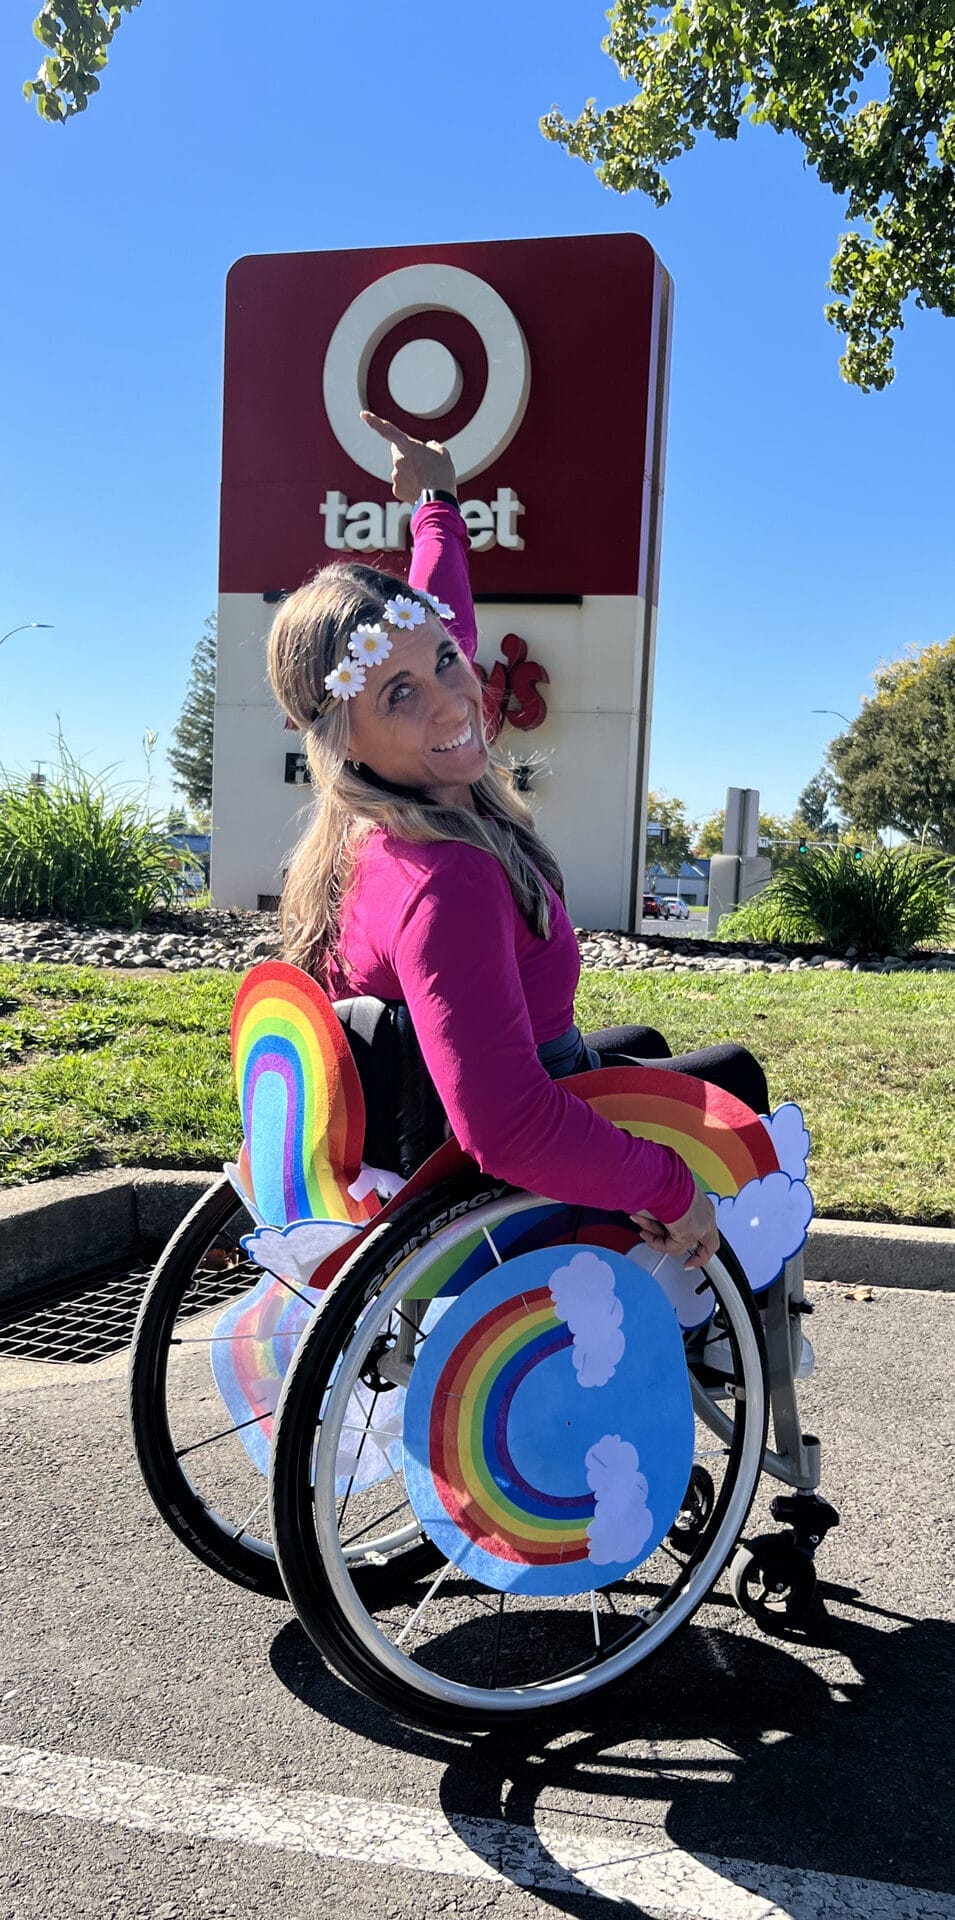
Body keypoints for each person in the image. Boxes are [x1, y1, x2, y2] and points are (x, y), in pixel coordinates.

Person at [267, 415, 768, 1271]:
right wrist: (670, 1186)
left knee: (642, 1042)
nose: (453, 703)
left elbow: (439, 619)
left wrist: (435, 503)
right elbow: (506, 1125)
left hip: (427, 1125)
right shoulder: (447, 876)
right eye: (398, 694)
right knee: (735, 1082)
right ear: (342, 734)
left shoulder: (374, 825)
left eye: (447, 664)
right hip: (495, 1174)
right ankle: (715, 1336)